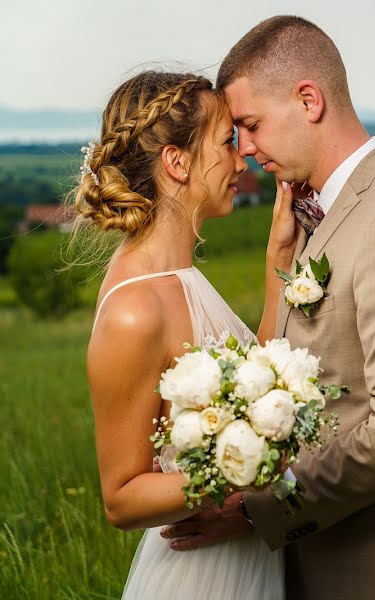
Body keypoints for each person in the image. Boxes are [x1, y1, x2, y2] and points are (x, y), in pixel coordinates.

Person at [160, 15, 375, 600]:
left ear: (308, 100)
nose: (246, 150)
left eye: (251, 125)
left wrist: (259, 508)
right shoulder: (318, 216)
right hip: (316, 563)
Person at [76, 70, 299, 599]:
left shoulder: (182, 278)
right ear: (177, 162)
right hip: (200, 576)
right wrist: (246, 473)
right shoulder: (136, 309)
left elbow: (249, 391)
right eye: (226, 142)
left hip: (243, 557)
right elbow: (122, 497)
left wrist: (277, 264)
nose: (242, 160)